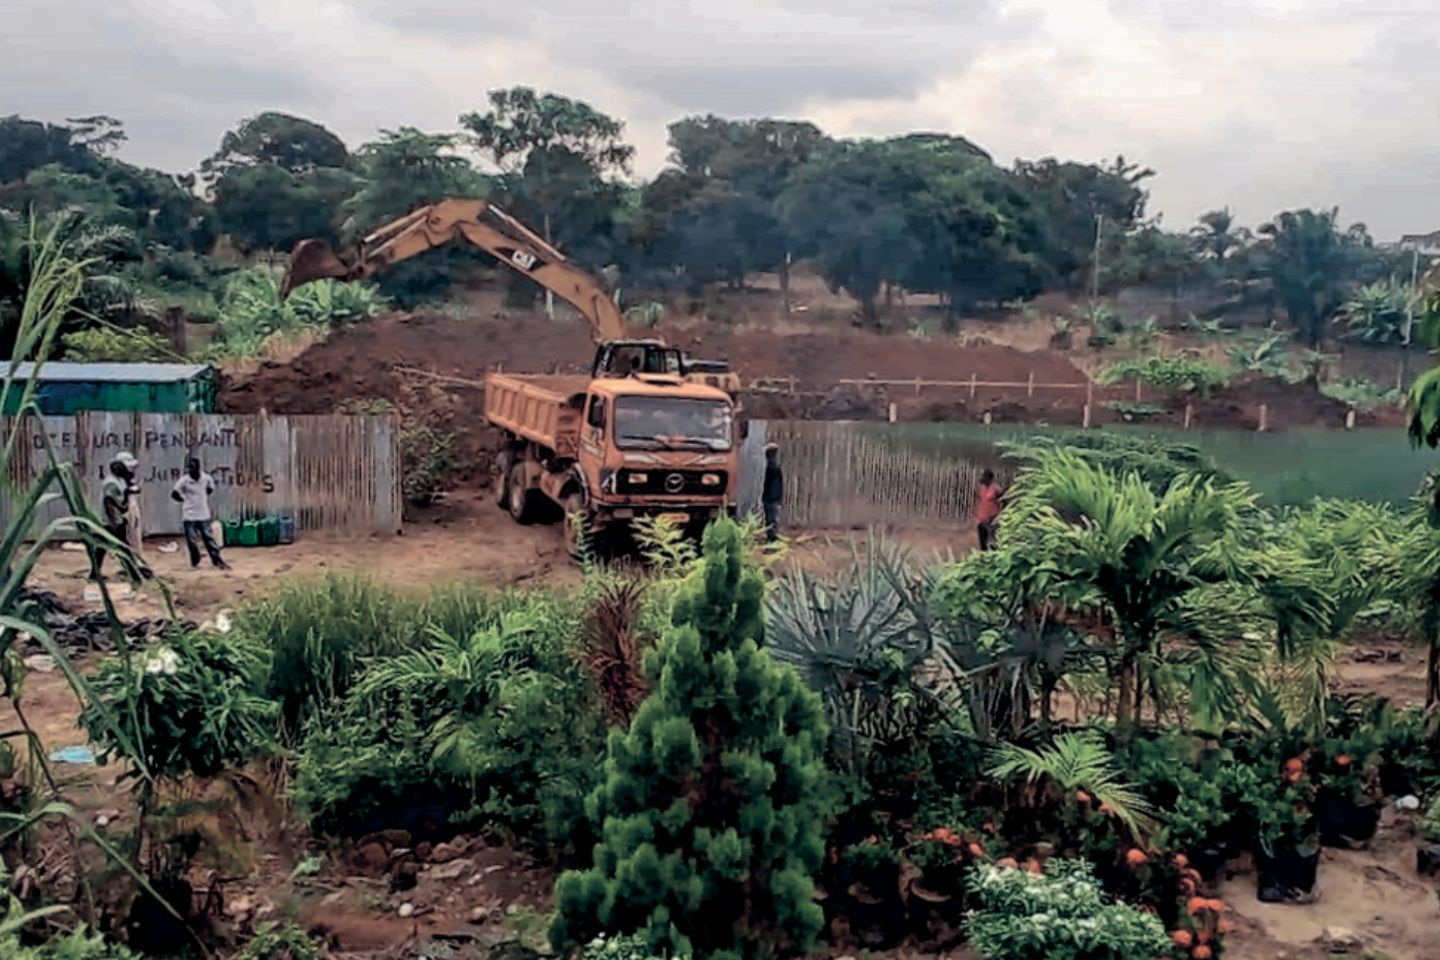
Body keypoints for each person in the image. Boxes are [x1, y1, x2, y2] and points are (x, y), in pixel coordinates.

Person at [90, 452, 150, 580]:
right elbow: (109, 503)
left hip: (116, 519)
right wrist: (115, 522)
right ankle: (134, 573)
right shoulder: (111, 483)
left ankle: (94, 573)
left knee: (102, 549)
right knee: (122, 548)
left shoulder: (120, 480)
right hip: (111, 521)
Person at [172, 457, 228, 570]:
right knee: (192, 540)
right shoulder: (184, 480)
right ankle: (195, 559)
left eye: (194, 468)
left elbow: (210, 489)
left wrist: (201, 498)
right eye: (190, 468)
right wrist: (185, 500)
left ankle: (217, 560)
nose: (192, 470)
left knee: (209, 538)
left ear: (198, 468)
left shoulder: (206, 478)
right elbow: (174, 493)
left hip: (203, 513)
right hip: (189, 514)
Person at [975, 468, 1004, 551]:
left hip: (992, 519)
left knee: (993, 540)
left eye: (985, 477)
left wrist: (1000, 514)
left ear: (989, 478)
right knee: (983, 541)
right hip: (982, 519)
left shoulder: (996, 489)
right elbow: (980, 501)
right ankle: (984, 556)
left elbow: (1004, 500)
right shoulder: (981, 488)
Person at [762, 443, 784, 543]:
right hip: (773, 497)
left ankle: (772, 538)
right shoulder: (774, 465)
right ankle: (771, 537)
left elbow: (772, 485)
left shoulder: (772, 466)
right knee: (772, 518)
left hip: (771, 497)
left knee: (771, 518)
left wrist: (769, 497)